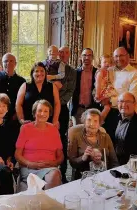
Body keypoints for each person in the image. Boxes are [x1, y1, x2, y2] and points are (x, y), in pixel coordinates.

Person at [15, 100, 64, 190]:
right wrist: (31, 164)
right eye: (40, 110)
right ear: (34, 113)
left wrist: (54, 163)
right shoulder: (26, 128)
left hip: (49, 169)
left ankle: (48, 203)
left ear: (49, 114)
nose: (42, 114)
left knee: (54, 174)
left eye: (46, 111)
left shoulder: (54, 129)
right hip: (29, 168)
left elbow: (60, 156)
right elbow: (17, 154)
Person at [0, 53, 26, 154]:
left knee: (12, 142)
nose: (8, 63)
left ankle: (11, 163)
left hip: (13, 117)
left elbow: (23, 101)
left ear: (15, 64)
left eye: (11, 61)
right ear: (2, 63)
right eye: (5, 61)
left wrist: (17, 115)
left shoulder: (21, 81)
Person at [68, 108, 119, 180]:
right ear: (84, 122)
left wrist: (114, 178)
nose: (92, 124)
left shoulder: (105, 137)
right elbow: (72, 163)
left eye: (95, 121)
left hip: (104, 176)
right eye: (89, 120)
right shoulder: (76, 137)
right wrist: (84, 157)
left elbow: (114, 161)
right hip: (84, 177)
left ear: (99, 124)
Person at [16, 62, 60, 127]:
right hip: (28, 123)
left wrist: (55, 120)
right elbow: (18, 104)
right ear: (32, 74)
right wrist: (21, 120)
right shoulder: (25, 85)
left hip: (48, 123)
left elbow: (57, 104)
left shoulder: (52, 86)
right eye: (36, 71)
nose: (39, 73)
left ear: (45, 73)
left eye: (42, 71)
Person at [56, 46, 77, 183]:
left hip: (62, 108)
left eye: (66, 52)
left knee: (62, 140)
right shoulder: (49, 67)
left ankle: (63, 172)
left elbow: (70, 91)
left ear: (69, 55)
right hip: (48, 109)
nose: (63, 55)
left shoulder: (72, 71)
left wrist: (57, 101)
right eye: (61, 52)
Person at [70, 48, 97, 124]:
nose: (87, 58)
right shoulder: (75, 73)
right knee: (78, 133)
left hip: (92, 109)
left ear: (92, 57)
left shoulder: (97, 73)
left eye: (89, 55)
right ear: (80, 57)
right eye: (84, 55)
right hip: (78, 109)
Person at [93, 54, 117, 123]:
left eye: (109, 62)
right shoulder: (100, 72)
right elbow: (98, 83)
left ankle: (101, 119)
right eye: (105, 62)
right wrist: (97, 94)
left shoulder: (108, 72)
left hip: (106, 90)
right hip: (101, 91)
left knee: (108, 106)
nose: (107, 64)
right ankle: (100, 120)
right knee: (107, 106)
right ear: (100, 64)